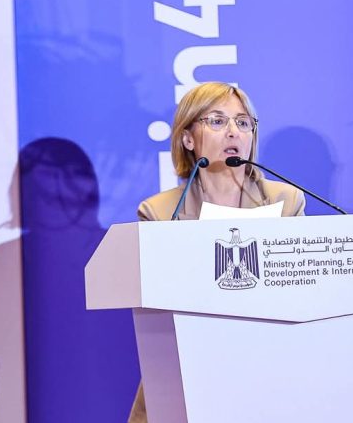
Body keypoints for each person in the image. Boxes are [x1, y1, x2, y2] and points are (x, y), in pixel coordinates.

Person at [128, 82, 305, 422]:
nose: (233, 132)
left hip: (270, 369)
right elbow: (157, 303)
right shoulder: (160, 212)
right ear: (188, 139)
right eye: (217, 121)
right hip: (187, 371)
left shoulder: (286, 201)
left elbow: (300, 288)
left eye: (243, 122)